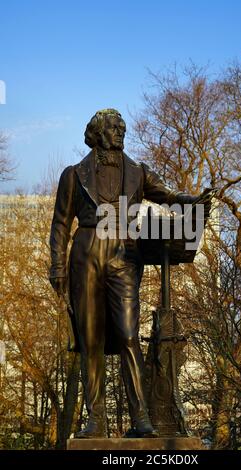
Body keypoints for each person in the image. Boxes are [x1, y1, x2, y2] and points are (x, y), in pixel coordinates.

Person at [49, 108, 213, 438]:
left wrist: (193, 200)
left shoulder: (137, 171)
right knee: (90, 339)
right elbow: (61, 224)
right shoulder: (73, 174)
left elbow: (167, 195)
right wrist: (57, 268)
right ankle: (96, 420)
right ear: (97, 133)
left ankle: (141, 419)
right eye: (113, 127)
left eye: (122, 127)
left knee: (127, 334)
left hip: (124, 251)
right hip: (86, 250)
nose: (120, 132)